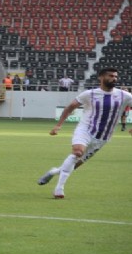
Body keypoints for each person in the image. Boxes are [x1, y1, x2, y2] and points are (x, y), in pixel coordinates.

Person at [37, 68, 132, 199]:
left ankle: (54, 171)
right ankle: (59, 189)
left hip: (103, 137)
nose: (114, 78)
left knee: (75, 165)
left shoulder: (124, 96)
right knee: (77, 153)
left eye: (116, 76)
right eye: (111, 76)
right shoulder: (89, 94)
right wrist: (58, 125)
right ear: (101, 77)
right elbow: (70, 107)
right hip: (85, 130)